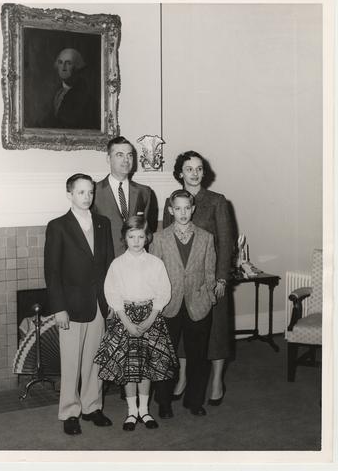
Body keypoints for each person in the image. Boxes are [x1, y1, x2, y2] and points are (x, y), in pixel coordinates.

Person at [44, 173, 114, 436]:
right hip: (70, 307)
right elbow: (52, 271)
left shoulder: (103, 223)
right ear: (69, 194)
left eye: (90, 192)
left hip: (98, 303)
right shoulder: (58, 226)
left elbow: (108, 265)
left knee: (95, 360)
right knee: (71, 362)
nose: (87, 197)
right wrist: (58, 307)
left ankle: (92, 406)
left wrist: (111, 301)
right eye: (81, 192)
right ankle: (70, 411)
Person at [163, 151, 234, 406]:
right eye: (189, 168)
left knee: (215, 334)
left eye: (199, 168)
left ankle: (216, 380)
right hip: (181, 284)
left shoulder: (217, 201)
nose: (194, 173)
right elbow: (166, 241)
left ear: (204, 172)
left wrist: (221, 279)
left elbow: (226, 243)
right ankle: (183, 377)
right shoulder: (171, 201)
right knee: (183, 335)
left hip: (211, 281)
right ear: (180, 173)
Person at [94, 216, 178, 431]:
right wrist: (127, 323)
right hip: (126, 317)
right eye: (132, 236)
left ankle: (144, 411)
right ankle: (132, 412)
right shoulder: (117, 264)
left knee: (147, 367)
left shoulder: (155, 263)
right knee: (130, 367)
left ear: (147, 238)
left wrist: (150, 319)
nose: (136, 241)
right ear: (125, 238)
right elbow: (112, 293)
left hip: (150, 315)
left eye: (141, 236)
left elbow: (163, 292)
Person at [150, 189, 217, 418]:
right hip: (169, 305)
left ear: (193, 209)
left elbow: (210, 272)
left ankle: (194, 401)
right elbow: (154, 275)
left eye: (187, 208)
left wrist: (209, 297)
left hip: (198, 305)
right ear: (170, 210)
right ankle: (164, 402)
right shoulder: (159, 238)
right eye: (177, 208)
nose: (183, 213)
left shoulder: (206, 238)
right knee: (165, 357)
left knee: (198, 357)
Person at [93, 136, 157, 257]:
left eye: (130, 155)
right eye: (119, 155)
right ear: (108, 158)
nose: (126, 160)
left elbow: (149, 230)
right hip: (107, 263)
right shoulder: (94, 192)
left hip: (138, 262)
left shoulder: (145, 192)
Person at [49, 48, 100, 129]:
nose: (63, 67)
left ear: (77, 67)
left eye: (68, 63)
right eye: (60, 62)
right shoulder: (56, 92)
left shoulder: (87, 99)